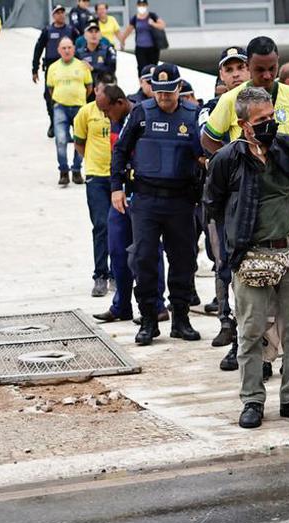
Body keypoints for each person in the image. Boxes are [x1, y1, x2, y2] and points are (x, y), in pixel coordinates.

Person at [203, 87, 289, 429]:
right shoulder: (228, 159)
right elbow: (213, 205)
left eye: (272, 117)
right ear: (243, 125)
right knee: (251, 331)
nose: (270, 124)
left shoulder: (287, 147)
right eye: (261, 121)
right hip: (250, 256)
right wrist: (229, 255)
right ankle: (252, 400)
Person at [111, 63, 205, 346]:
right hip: (146, 199)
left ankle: (181, 318)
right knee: (144, 259)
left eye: (169, 92)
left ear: (179, 88)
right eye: (159, 91)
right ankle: (149, 319)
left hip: (181, 199)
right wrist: (116, 188)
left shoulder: (193, 115)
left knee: (183, 260)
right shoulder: (141, 112)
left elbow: (205, 154)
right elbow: (121, 150)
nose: (164, 97)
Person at [93, 84, 168, 325]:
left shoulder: (143, 115)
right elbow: (118, 154)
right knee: (116, 249)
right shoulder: (117, 121)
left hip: (144, 195)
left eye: (107, 111)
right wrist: (116, 187)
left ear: (120, 103)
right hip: (122, 195)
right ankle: (121, 305)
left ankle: (156, 305)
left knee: (146, 252)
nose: (106, 116)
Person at [201, 46, 249, 362]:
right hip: (229, 197)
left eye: (239, 67)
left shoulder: (263, 99)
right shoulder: (214, 107)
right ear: (221, 75)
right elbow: (206, 141)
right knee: (226, 265)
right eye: (228, 69)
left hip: (264, 195)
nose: (234, 74)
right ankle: (229, 327)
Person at [202, 36, 289, 153]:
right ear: (248, 65)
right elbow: (208, 139)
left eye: (272, 68)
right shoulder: (229, 99)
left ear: (278, 61)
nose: (267, 75)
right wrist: (232, 163)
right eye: (260, 70)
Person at [73, 78, 115, 298]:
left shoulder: (119, 111)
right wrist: (90, 161)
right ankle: (101, 274)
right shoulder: (86, 112)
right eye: (98, 92)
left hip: (118, 177)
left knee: (120, 227)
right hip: (96, 177)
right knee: (100, 225)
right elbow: (79, 141)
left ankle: (118, 273)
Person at [47, 37, 92, 187]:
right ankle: (64, 171)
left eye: (69, 48)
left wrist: (78, 97)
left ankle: (77, 170)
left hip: (79, 108)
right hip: (60, 107)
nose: (67, 50)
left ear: (74, 49)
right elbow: (50, 88)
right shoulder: (53, 68)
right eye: (63, 48)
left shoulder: (82, 66)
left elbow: (89, 87)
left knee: (80, 139)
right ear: (59, 50)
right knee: (60, 139)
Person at [33, 5, 78, 138]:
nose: (60, 15)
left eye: (62, 13)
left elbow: (79, 46)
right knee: (50, 97)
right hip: (52, 69)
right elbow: (38, 48)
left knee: (69, 96)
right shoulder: (47, 30)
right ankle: (53, 123)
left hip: (69, 68)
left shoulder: (71, 31)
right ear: (53, 15)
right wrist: (34, 68)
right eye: (57, 13)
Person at [120, 0, 165, 75]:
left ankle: (152, 83)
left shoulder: (152, 16)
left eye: (143, 5)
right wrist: (122, 40)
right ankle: (142, 84)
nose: (142, 7)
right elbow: (128, 30)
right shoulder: (135, 18)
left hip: (153, 48)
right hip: (140, 48)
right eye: (140, 5)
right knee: (141, 67)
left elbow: (162, 25)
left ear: (146, 6)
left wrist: (153, 23)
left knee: (153, 67)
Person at [77, 20, 117, 90]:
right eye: (90, 32)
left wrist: (93, 68)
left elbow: (111, 69)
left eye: (96, 31)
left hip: (104, 88)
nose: (94, 34)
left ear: (100, 35)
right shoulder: (78, 53)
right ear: (85, 35)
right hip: (86, 88)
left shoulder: (108, 49)